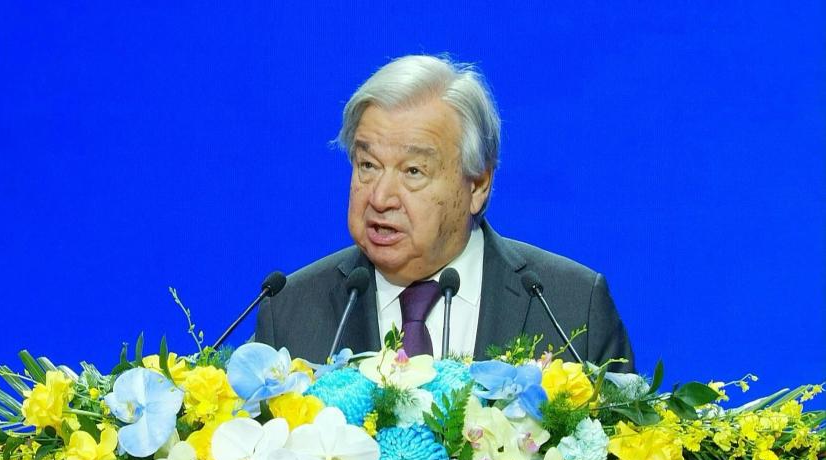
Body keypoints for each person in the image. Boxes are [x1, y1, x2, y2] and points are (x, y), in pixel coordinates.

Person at [256, 54, 634, 371]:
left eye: (413, 171)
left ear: (477, 185)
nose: (381, 197)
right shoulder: (289, 312)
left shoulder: (571, 306)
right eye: (368, 165)